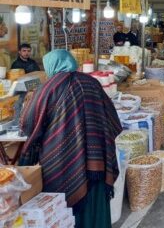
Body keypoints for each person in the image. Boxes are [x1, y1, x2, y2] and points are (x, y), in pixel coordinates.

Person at [19, 50, 122, 228]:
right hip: (97, 162)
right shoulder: (92, 82)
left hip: (62, 160)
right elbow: (112, 118)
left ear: (51, 66)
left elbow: (28, 123)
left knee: (66, 212)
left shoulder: (49, 87)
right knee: (96, 207)